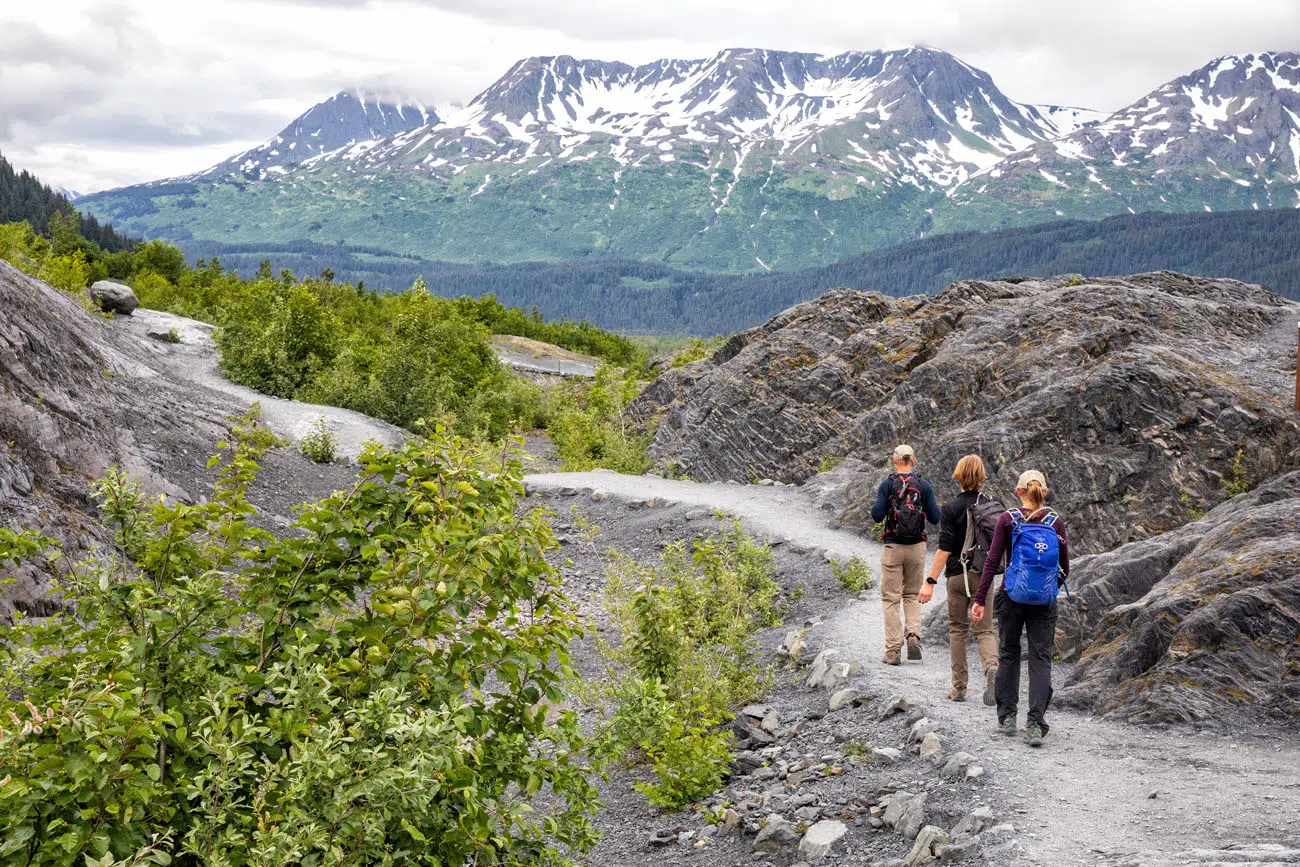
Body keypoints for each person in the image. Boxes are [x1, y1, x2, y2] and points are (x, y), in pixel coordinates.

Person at [971, 470, 1069, 748]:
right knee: (1040, 659)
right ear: (1044, 492)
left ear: (1019, 492)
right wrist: (1047, 589)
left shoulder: (1008, 519)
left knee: (1009, 653)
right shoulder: (1055, 522)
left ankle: (1007, 717)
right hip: (1044, 603)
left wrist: (979, 600)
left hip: (1012, 597)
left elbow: (991, 563)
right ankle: (1035, 724)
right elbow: (1065, 567)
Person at [919, 455, 999, 704]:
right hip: (983, 576)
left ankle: (959, 688)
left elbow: (943, 549)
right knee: (984, 629)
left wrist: (929, 582)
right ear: (982, 476)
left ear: (959, 476)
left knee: (957, 630)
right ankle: (991, 668)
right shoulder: (993, 505)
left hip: (956, 575)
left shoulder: (951, 509)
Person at [870, 444, 940, 666]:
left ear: (894, 460)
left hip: (893, 547)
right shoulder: (924, 486)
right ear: (914, 461)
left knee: (891, 598)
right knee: (911, 594)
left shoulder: (887, 485)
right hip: (917, 547)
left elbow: (876, 516)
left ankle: (892, 651)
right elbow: (936, 517)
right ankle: (913, 636)